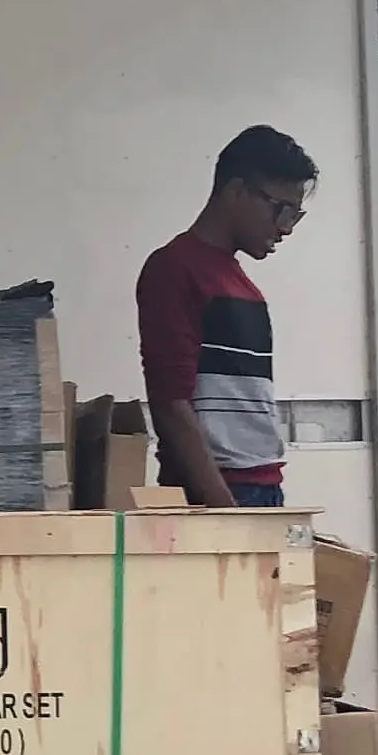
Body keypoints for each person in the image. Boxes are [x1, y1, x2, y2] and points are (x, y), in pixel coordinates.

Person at [138, 125, 314, 509]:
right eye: (281, 210)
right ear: (236, 192)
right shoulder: (174, 268)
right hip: (218, 494)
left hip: (262, 483)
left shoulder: (239, 282)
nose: (285, 227)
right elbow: (171, 402)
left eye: (295, 216)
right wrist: (222, 505)